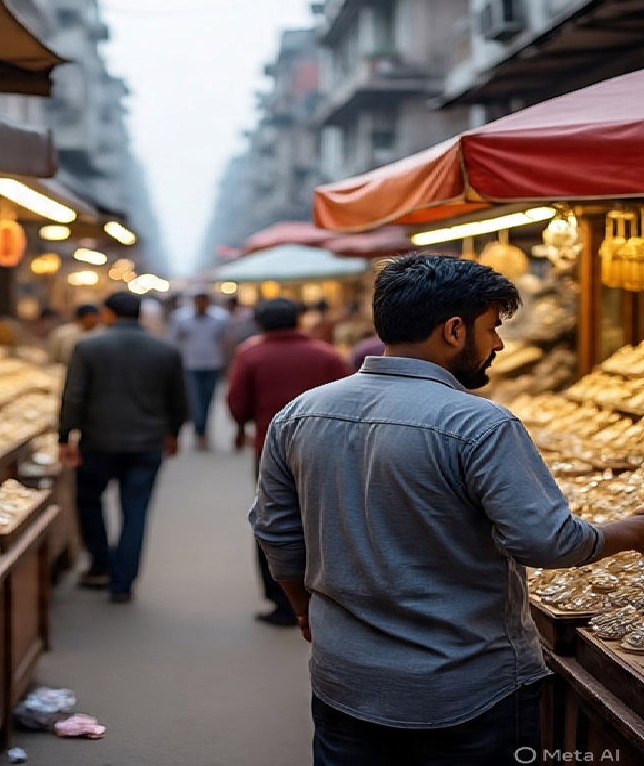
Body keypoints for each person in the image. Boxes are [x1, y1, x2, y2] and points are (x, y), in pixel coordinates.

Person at [250, 253, 644, 765]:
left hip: (345, 678)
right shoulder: (481, 425)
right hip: (467, 688)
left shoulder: (299, 414)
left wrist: (303, 608)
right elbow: (547, 542)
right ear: (455, 330)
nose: (499, 344)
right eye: (493, 328)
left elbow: (276, 533)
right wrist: (630, 532)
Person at [226, 297, 350, 627]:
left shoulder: (251, 354)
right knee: (327, 517)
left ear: (261, 323)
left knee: (275, 517)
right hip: (330, 448)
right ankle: (330, 594)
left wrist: (243, 427)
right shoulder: (326, 354)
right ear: (298, 319)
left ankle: (283, 600)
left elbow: (238, 405)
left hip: (271, 448)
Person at [58, 291, 188, 603]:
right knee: (136, 509)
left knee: (89, 501)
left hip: (97, 440)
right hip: (146, 442)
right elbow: (179, 399)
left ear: (108, 313)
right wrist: (173, 432)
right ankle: (123, 581)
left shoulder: (88, 347)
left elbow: (73, 396)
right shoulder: (165, 350)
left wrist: (65, 437)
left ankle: (100, 563)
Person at [167, 291, 228, 450]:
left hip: (212, 363)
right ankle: (199, 428)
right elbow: (173, 340)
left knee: (207, 399)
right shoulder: (181, 318)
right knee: (194, 399)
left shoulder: (220, 318)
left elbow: (225, 340)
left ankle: (202, 429)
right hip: (190, 364)